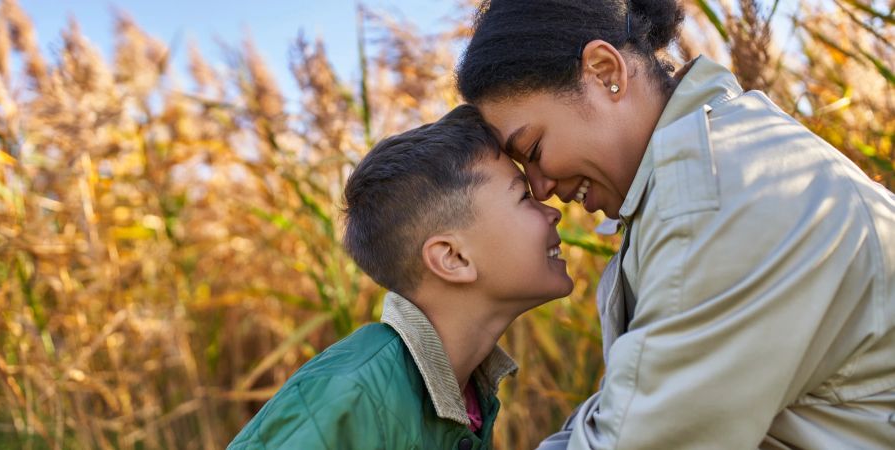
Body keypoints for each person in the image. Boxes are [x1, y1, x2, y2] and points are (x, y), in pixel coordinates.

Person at [456, 0, 895, 448]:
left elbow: (640, 439)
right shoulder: (718, 157)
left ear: (606, 71)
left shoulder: (713, 199)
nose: (541, 187)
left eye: (533, 150)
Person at [226, 105, 574, 449]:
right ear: (453, 258)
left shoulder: (468, 393)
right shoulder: (349, 396)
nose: (553, 212)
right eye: (524, 196)